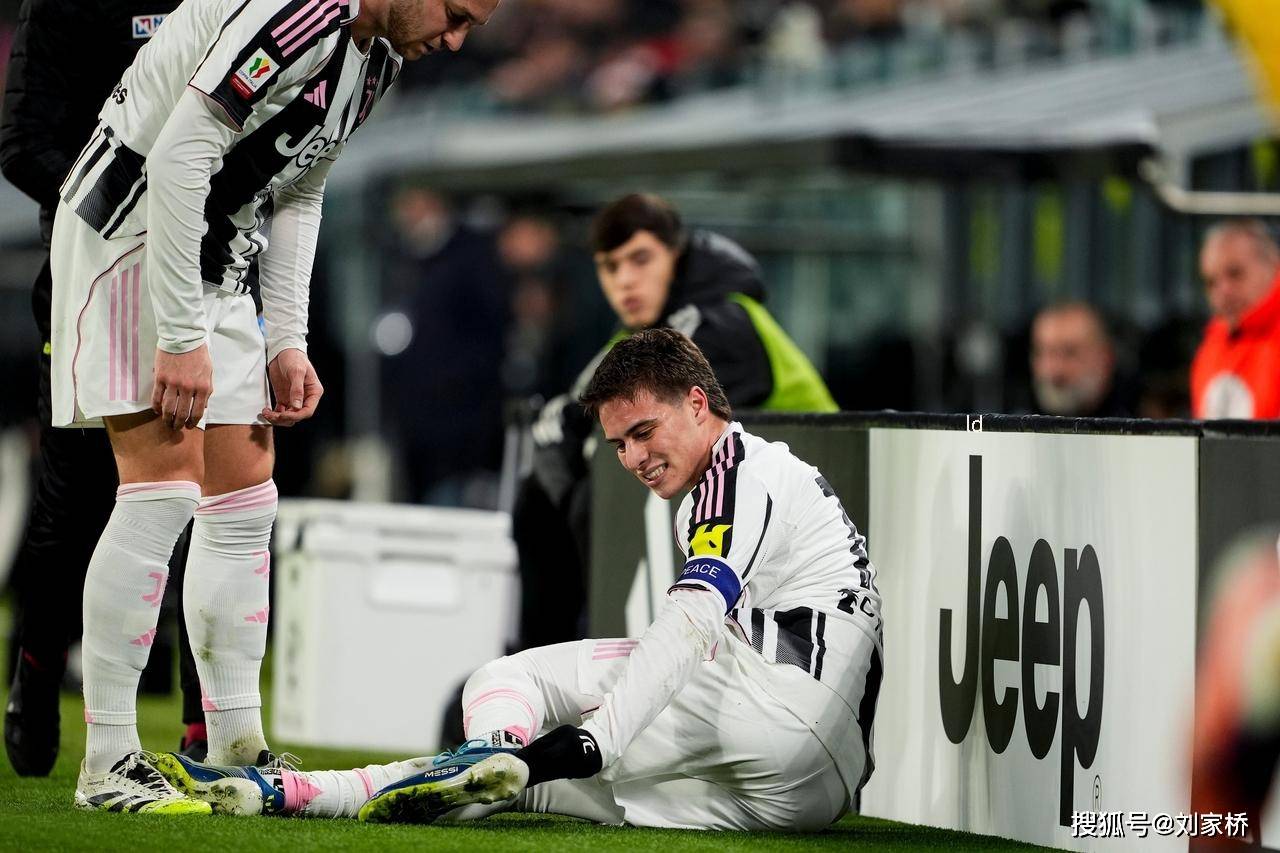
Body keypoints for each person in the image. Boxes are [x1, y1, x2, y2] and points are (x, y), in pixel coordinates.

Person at [50, 0, 502, 814]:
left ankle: (233, 747)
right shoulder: (303, 10)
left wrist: (286, 338)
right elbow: (180, 152)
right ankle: (108, 761)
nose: (456, 39)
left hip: (218, 255)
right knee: (162, 490)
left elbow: (302, 186)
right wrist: (180, 334)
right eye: (455, 13)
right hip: (132, 230)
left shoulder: (377, 56)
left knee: (245, 501)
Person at [158, 329, 882, 832]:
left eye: (644, 432)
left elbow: (692, 623)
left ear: (698, 402)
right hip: (816, 792)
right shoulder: (764, 480)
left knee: (508, 680)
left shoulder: (736, 471)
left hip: (776, 712)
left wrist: (594, 740)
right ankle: (301, 793)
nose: (633, 459)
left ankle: (474, 754)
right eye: (618, 444)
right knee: (534, 792)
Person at [0, 0, 213, 778]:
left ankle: (205, 724)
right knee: (75, 493)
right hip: (92, 273)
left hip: (206, 270)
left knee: (213, 495)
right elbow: (23, 145)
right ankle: (34, 675)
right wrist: (131, 211)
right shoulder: (66, 5)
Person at [515, 192, 837, 654]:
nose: (625, 280)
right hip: (737, 503)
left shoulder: (723, 322)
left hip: (806, 504)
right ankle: (544, 662)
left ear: (676, 255)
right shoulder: (638, 335)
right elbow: (570, 419)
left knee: (596, 490)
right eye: (610, 267)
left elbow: (654, 437)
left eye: (640, 259)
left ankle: (575, 657)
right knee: (545, 492)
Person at [1191, 219, 1280, 420]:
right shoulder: (1212, 346)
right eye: (1211, 282)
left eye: (1235, 274)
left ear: (1272, 264)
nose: (1223, 291)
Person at [1029, 301, 1134, 418]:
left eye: (1070, 353)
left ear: (1105, 358)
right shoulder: (1018, 412)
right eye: (1044, 352)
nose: (1055, 370)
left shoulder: (1140, 418)